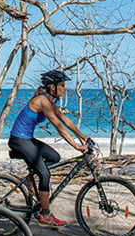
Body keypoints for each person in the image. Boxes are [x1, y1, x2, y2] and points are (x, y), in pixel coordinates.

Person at [8, 69, 91, 227]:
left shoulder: (50, 101)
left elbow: (64, 119)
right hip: (19, 140)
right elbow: (58, 126)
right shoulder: (43, 101)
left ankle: (27, 181)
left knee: (55, 158)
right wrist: (76, 146)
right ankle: (45, 215)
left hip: (26, 139)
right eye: (62, 85)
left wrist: (82, 136)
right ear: (52, 87)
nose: (65, 88)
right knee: (45, 174)